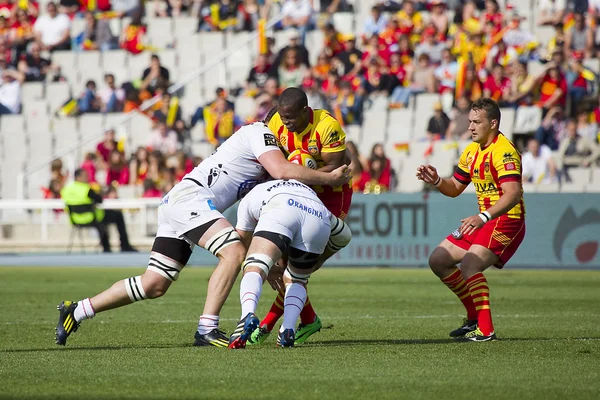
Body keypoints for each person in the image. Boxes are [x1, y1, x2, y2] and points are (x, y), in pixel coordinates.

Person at [55, 112, 351, 348]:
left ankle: (77, 310)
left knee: (154, 284)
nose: (288, 137)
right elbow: (285, 172)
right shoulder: (260, 132)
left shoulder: (263, 156)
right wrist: (330, 177)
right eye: (285, 129)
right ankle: (207, 328)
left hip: (181, 201)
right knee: (234, 251)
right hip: (192, 199)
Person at [416, 98, 526, 342]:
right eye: (470, 122)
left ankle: (486, 330)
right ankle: (473, 318)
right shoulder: (472, 151)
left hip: (507, 219)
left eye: (477, 122)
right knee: (439, 259)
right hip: (484, 220)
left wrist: (482, 216)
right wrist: (436, 181)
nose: (471, 127)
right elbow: (455, 187)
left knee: (470, 265)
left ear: (493, 123)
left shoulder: (504, 151)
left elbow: (513, 193)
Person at [250, 87, 353, 345]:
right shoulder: (275, 122)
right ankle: (303, 321)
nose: (286, 123)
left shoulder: (326, 126)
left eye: (291, 118)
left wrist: (301, 168)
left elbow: (338, 167)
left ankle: (270, 323)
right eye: (283, 118)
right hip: (295, 193)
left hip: (330, 195)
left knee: (300, 267)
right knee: (289, 268)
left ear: (306, 111)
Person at [228, 179, 350, 348]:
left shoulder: (248, 199)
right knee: (297, 280)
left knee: (254, 265)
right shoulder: (299, 187)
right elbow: (345, 235)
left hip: (281, 207)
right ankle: (287, 330)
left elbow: (242, 242)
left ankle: (246, 315)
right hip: (317, 214)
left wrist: (265, 268)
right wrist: (318, 262)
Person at [60, 168, 137, 254]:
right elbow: (99, 200)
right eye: (85, 176)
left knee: (103, 222)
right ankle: (123, 246)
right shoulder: (85, 189)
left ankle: (108, 248)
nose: (88, 178)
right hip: (91, 218)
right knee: (117, 215)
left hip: (75, 219)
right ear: (79, 177)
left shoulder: (66, 189)